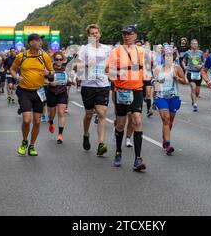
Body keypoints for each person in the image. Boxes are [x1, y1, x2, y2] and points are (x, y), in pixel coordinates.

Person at [108, 24, 148, 171]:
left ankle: (138, 158)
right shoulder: (115, 52)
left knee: (137, 120)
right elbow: (109, 71)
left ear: (135, 36)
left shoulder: (142, 52)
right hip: (121, 91)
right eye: (124, 34)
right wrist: (117, 75)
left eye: (129, 34)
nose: (127, 36)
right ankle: (118, 152)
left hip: (137, 90)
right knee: (120, 123)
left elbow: (147, 70)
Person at [10, 34, 54, 157]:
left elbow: (52, 73)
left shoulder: (44, 56)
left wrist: (48, 73)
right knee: (26, 119)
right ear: (31, 43)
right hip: (24, 91)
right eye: (38, 40)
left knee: (37, 121)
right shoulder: (22, 56)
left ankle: (32, 145)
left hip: (39, 92)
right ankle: (24, 141)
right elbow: (12, 69)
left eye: (41, 40)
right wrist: (16, 77)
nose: (40, 42)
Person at [75, 24, 111, 156]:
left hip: (103, 85)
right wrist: (84, 66)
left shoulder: (107, 49)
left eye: (96, 33)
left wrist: (112, 74)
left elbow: (110, 64)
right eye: (92, 33)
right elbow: (76, 65)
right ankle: (86, 134)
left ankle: (101, 143)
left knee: (102, 113)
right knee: (89, 114)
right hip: (88, 85)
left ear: (100, 34)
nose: (95, 35)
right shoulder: (84, 49)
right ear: (88, 36)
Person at [153, 45, 187, 154]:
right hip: (161, 97)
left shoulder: (176, 68)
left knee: (170, 121)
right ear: (163, 57)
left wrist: (177, 77)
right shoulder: (158, 68)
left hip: (174, 98)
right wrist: (155, 95)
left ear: (173, 57)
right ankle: (167, 144)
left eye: (170, 55)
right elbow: (155, 82)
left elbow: (184, 81)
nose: (168, 57)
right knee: (166, 119)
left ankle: (165, 136)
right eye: (166, 55)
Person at [46, 52, 71, 144]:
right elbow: (42, 79)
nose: (59, 61)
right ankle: (51, 122)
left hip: (62, 93)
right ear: (54, 59)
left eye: (60, 59)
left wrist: (71, 81)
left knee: (61, 112)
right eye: (57, 59)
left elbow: (68, 79)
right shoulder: (49, 68)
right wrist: (50, 83)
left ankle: (60, 135)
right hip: (51, 92)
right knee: (52, 114)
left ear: (63, 60)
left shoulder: (65, 69)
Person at [182, 38, 205, 112]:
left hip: (198, 73)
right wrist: (185, 66)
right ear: (191, 45)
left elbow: (204, 61)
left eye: (196, 44)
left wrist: (201, 65)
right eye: (194, 44)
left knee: (197, 91)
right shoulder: (187, 53)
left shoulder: (200, 52)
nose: (195, 45)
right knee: (193, 87)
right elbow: (183, 61)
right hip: (190, 72)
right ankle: (195, 104)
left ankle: (194, 99)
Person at [143, 41, 154, 117]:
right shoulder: (141, 53)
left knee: (149, 94)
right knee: (144, 94)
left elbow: (155, 65)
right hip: (141, 77)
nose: (147, 46)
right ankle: (144, 97)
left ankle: (148, 110)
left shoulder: (152, 54)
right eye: (146, 45)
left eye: (148, 45)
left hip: (149, 76)